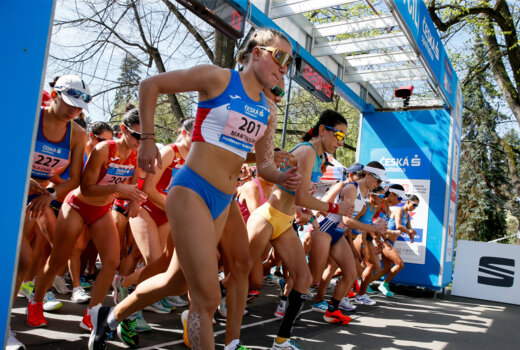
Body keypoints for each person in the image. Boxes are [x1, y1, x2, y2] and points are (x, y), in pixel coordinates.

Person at [89, 28, 300, 350]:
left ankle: (111, 315)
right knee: (207, 296)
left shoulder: (268, 110)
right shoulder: (216, 78)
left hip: (223, 199)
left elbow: (264, 166)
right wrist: (146, 141)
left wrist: (283, 176)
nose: (285, 67)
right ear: (256, 52)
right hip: (191, 190)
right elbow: (151, 84)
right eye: (281, 56)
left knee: (177, 281)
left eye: (290, 62)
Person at [27, 109, 145, 331]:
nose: (141, 141)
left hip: (101, 211)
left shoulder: (136, 155)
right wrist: (118, 188)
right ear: (123, 130)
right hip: (77, 206)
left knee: (111, 262)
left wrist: (135, 200)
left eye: (146, 137)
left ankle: (92, 314)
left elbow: (134, 184)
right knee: (58, 258)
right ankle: (36, 301)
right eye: (137, 136)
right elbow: (86, 188)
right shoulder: (103, 149)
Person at [10, 75, 89, 350]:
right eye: (68, 103)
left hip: (37, 198)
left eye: (78, 108)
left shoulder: (78, 134)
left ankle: (5, 326)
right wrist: (21, 176)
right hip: (8, 188)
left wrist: (51, 195)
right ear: (54, 95)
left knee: (21, 261)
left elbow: (75, 179)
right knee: (19, 258)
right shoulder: (31, 117)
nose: (73, 111)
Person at [373, 192, 418, 296]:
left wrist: (411, 233)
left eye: (416, 206)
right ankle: (384, 284)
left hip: (391, 242)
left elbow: (408, 228)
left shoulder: (408, 215)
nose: (414, 207)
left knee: (386, 269)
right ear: (407, 202)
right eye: (414, 205)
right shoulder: (399, 210)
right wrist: (409, 231)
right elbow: (398, 226)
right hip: (385, 241)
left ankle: (366, 283)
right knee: (400, 264)